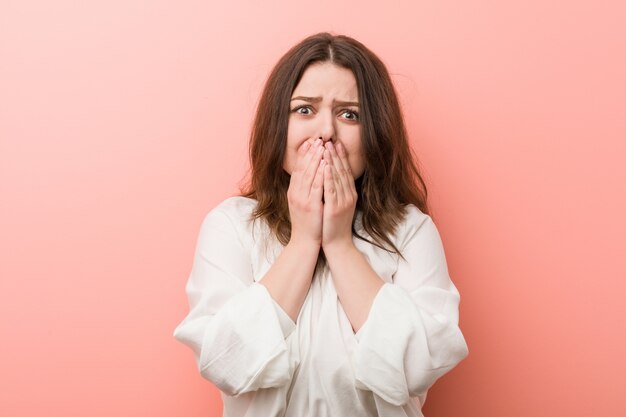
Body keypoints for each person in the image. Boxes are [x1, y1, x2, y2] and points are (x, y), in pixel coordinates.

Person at [173, 31, 469, 417]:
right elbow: (228, 364)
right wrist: (303, 241)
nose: (326, 131)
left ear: (375, 132)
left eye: (350, 114)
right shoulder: (230, 226)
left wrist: (340, 244)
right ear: (277, 126)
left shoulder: (411, 231)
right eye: (305, 110)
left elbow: (415, 370)